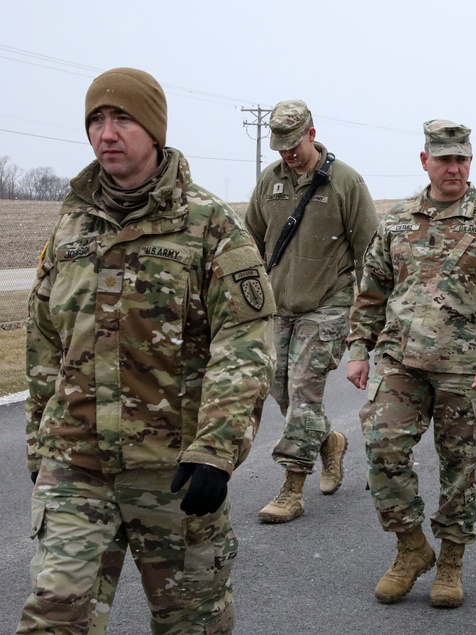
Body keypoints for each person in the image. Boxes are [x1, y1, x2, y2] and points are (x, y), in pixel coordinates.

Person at [19, 67, 276, 634]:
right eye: (96, 121)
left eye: (122, 119)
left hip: (175, 471)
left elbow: (246, 342)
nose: (107, 134)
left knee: (193, 623)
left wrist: (216, 447)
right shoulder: (70, 227)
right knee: (52, 619)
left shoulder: (212, 228)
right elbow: (44, 340)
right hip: (76, 466)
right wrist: (40, 444)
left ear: (154, 130)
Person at [346, 120, 476, 609]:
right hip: (400, 361)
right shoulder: (397, 221)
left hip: (467, 368)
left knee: (459, 470)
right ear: (425, 160)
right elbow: (371, 291)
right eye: (444, 159)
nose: (453, 168)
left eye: (461, 160)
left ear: (470, 162)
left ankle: (450, 560)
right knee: (382, 451)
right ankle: (410, 547)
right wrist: (357, 349)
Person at [245, 99, 378, 524]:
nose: (288, 153)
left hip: (328, 305)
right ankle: (329, 442)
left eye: (294, 143)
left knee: (302, 392)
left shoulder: (344, 182)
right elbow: (249, 241)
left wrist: (367, 321)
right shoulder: (270, 181)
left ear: (312, 134)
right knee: (281, 390)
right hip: (278, 308)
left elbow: (370, 256)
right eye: (280, 146)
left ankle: (291, 488)